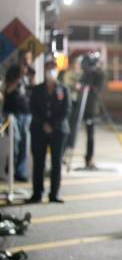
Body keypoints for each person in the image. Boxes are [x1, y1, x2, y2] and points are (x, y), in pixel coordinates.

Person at [28, 56, 71, 203]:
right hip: (39, 130)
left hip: (58, 131)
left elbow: (67, 110)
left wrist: (53, 124)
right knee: (39, 162)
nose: (51, 71)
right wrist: (44, 124)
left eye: (53, 69)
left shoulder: (63, 89)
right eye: (48, 69)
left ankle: (54, 194)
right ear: (44, 71)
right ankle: (37, 193)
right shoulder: (38, 89)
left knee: (56, 163)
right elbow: (33, 108)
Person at [3, 65, 30, 181]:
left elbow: (32, 89)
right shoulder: (13, 72)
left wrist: (28, 77)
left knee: (24, 144)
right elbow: (7, 90)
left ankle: (20, 172)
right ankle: (11, 168)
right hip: (12, 114)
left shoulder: (29, 75)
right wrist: (19, 78)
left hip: (26, 113)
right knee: (15, 142)